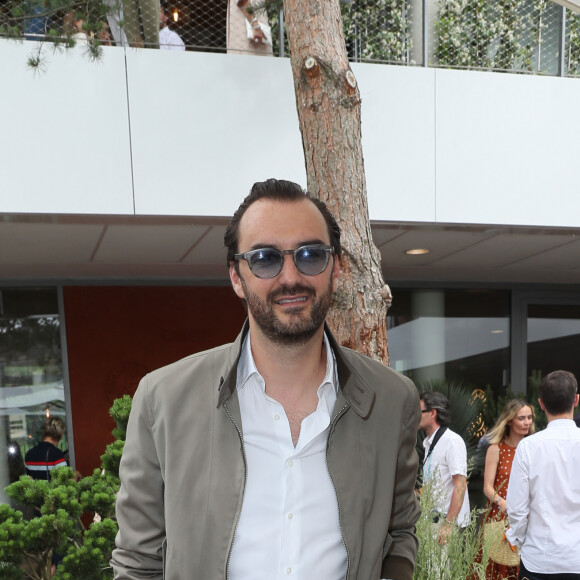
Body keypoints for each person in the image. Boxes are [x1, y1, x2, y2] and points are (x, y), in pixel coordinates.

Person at [112, 178, 421, 579]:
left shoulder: (391, 400)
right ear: (237, 277)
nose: (290, 277)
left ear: (336, 268)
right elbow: (138, 562)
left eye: (311, 255)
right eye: (265, 258)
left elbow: (399, 533)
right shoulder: (164, 400)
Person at [506, 370, 580, 580]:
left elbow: (517, 509)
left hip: (540, 558)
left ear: (541, 403)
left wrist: (518, 540)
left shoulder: (528, 446)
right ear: (576, 400)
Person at [480, 399, 534, 580]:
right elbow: (487, 487)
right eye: (521, 418)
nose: (527, 422)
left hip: (527, 517)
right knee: (497, 568)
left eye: (530, 417)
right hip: (499, 516)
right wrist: (502, 502)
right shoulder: (496, 449)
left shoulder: (533, 448)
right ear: (509, 420)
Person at [418, 391, 470, 543]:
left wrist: (448, 524)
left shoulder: (452, 441)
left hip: (446, 523)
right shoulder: (430, 443)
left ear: (433, 413)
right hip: (434, 521)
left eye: (419, 411)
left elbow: (460, 485)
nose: (415, 415)